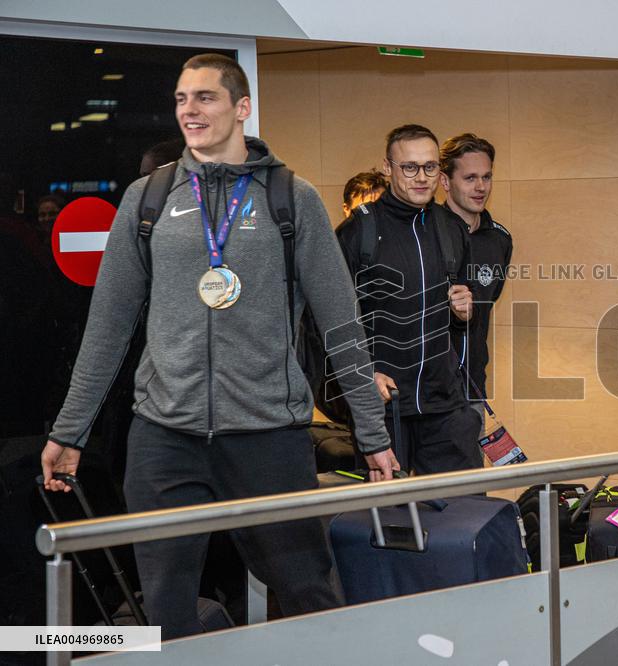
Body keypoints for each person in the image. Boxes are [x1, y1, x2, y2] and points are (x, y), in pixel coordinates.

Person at [41, 53, 396, 639]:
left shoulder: (291, 198)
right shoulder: (148, 199)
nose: (190, 110)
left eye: (205, 97)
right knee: (167, 609)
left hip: (267, 437)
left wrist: (372, 434)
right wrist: (69, 430)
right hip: (164, 438)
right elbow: (108, 324)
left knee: (309, 594)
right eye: (182, 99)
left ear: (241, 107)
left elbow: (341, 325)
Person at [338, 124, 482, 475]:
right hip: (384, 409)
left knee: (463, 511)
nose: (422, 177)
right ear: (388, 168)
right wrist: (364, 373)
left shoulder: (451, 229)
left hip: (443, 404)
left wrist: (463, 312)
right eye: (410, 167)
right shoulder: (359, 230)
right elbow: (325, 321)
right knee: (391, 523)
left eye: (430, 167)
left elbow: (456, 313)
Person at [439, 133, 512, 424]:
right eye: (470, 178)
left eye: (486, 177)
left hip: (473, 390)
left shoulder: (500, 239)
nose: (481, 187)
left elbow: (487, 303)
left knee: (472, 468)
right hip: (425, 392)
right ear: (445, 182)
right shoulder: (425, 235)